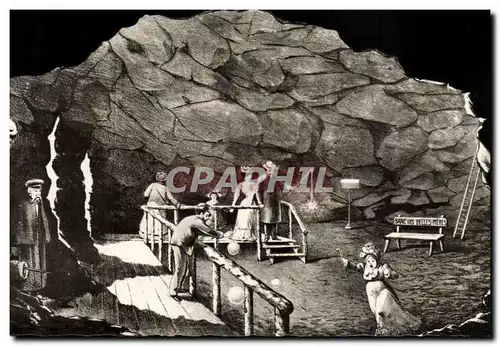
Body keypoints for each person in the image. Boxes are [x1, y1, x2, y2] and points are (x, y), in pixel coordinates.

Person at [341, 242, 421, 336]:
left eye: (373, 261)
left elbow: (395, 275)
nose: (371, 263)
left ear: (376, 260)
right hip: (370, 293)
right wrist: (347, 263)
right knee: (375, 311)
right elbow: (355, 266)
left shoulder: (382, 267)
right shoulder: (363, 267)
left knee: (380, 311)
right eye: (369, 261)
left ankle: (381, 332)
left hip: (382, 291)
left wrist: (389, 273)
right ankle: (386, 329)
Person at [169, 204, 231, 299]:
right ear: (201, 213)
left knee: (183, 267)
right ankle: (173, 292)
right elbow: (207, 230)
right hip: (179, 243)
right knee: (180, 268)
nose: (208, 217)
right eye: (207, 215)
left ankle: (178, 287)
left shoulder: (193, 219)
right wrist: (222, 234)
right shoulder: (197, 221)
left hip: (181, 242)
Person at [11, 179, 52, 292]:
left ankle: (40, 287)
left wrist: (46, 236)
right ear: (29, 191)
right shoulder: (24, 205)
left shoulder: (41, 204)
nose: (38, 193)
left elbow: (44, 221)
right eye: (35, 191)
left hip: (40, 239)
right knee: (30, 263)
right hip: (28, 240)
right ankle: (29, 289)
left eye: (39, 191)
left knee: (40, 264)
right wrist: (17, 242)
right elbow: (19, 224)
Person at [139, 171, 181, 240]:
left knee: (149, 221)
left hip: (151, 206)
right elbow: (171, 198)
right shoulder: (166, 188)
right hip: (161, 208)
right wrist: (177, 204)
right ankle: (160, 235)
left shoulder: (152, 185)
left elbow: (145, 194)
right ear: (165, 180)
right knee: (160, 223)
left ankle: (146, 234)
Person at [230, 166, 263, 241]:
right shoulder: (241, 184)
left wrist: (260, 202)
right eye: (248, 174)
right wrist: (233, 205)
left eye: (250, 174)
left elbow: (257, 194)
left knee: (250, 218)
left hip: (252, 203)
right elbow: (236, 195)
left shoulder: (254, 184)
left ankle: (250, 235)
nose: (249, 176)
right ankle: (243, 235)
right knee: (243, 219)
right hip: (244, 203)